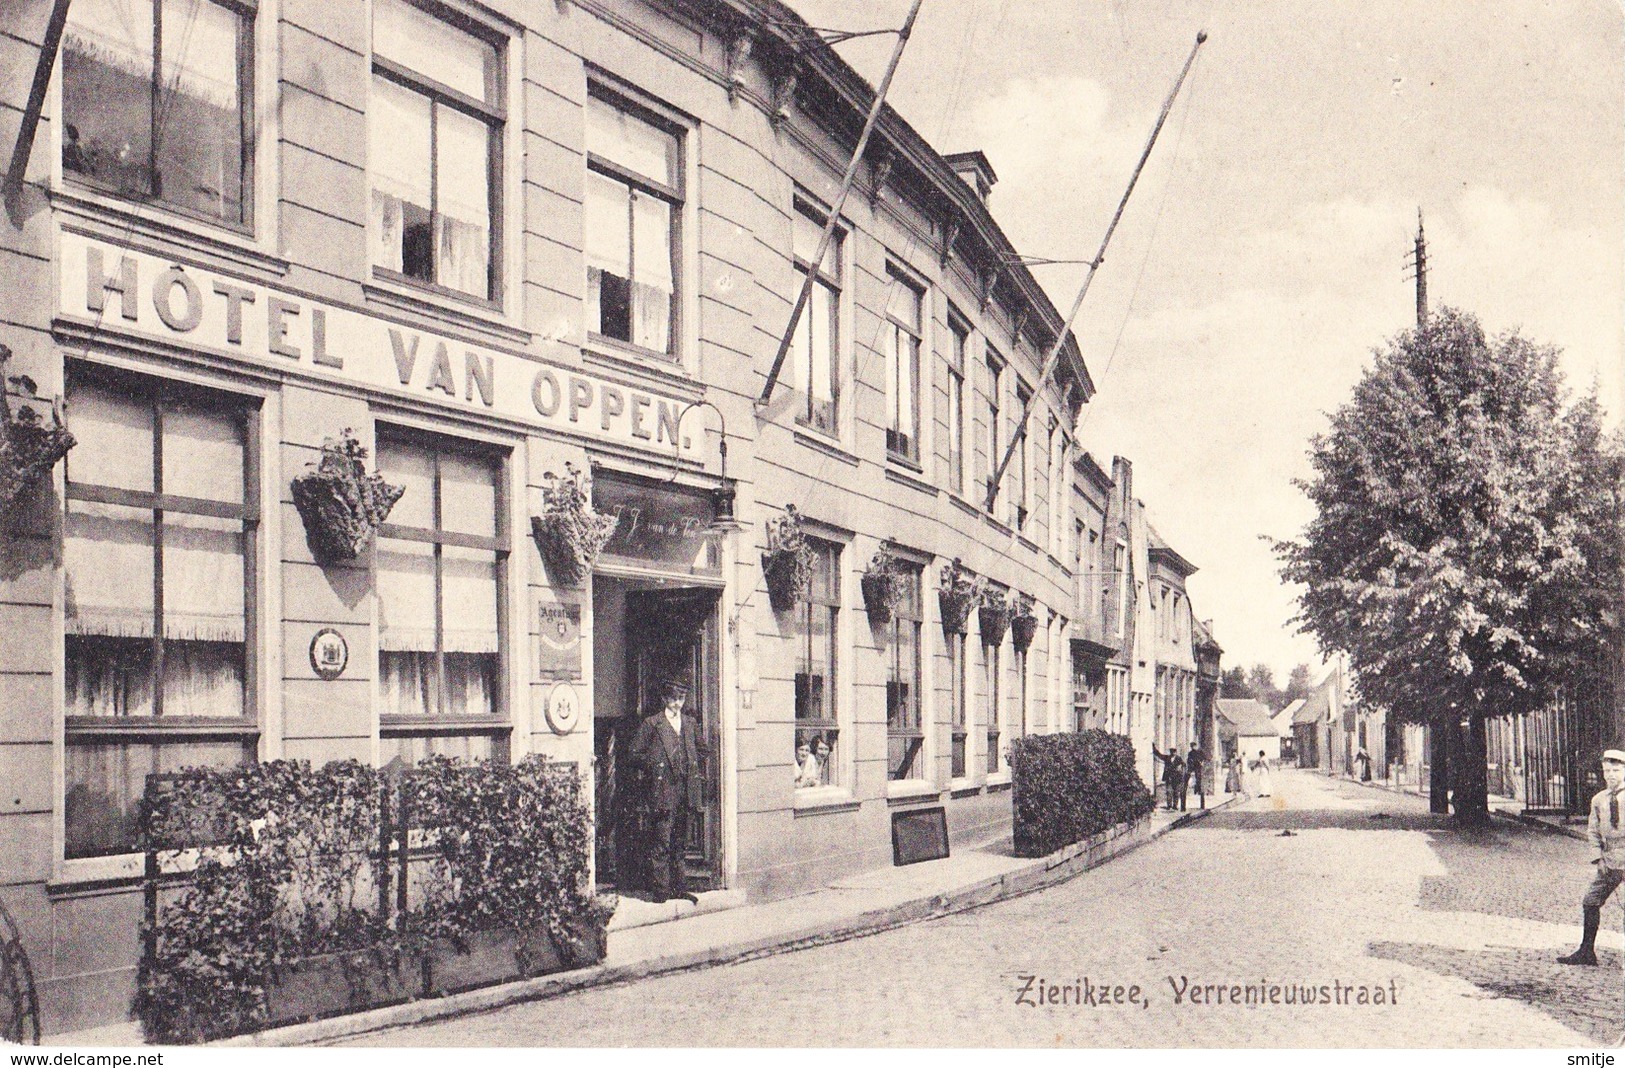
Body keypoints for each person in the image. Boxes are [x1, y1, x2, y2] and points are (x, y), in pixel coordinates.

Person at [628, 674, 701, 904]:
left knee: (680, 843)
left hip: (685, 790)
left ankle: (679, 888)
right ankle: (661, 891)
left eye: (681, 698)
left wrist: (694, 766)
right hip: (662, 790)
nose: (677, 703)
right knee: (661, 842)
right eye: (673, 698)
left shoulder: (689, 723)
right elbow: (633, 754)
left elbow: (703, 749)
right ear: (664, 698)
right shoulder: (653, 723)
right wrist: (655, 764)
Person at [1557, 749, 1625, 966]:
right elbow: (1593, 831)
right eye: (1607, 771)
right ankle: (1586, 951)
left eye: (1616, 770)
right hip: (1610, 860)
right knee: (1591, 901)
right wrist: (1598, 859)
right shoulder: (1599, 800)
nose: (1611, 775)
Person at [1152, 746, 1185, 811]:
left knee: (1176, 792)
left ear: (1176, 752)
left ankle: (1175, 806)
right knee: (1169, 791)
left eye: (1174, 752)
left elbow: (1184, 764)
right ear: (1170, 752)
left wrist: (1180, 766)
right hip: (1169, 777)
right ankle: (1169, 805)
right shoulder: (1167, 757)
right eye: (1171, 752)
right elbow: (1160, 755)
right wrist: (1154, 748)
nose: (1173, 753)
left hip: (1177, 778)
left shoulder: (1179, 758)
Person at [1186, 744, 1206, 809]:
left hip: (1198, 768)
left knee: (1199, 778)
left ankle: (1199, 790)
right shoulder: (1190, 753)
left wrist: (1202, 762)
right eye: (1192, 746)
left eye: (1194, 746)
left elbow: (1204, 758)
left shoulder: (1200, 752)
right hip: (1193, 767)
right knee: (1193, 779)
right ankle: (1195, 790)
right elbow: (1189, 760)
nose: (1193, 747)